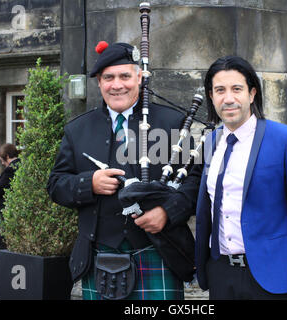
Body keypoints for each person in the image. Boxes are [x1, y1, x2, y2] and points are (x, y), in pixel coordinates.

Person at [47, 42, 196, 300]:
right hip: (99, 256)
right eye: (108, 78)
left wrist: (167, 212)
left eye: (125, 76)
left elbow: (195, 182)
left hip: (158, 252)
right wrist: (88, 183)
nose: (117, 85)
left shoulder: (172, 123)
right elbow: (56, 185)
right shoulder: (78, 130)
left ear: (139, 77)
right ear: (99, 82)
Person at [194, 56, 287, 300]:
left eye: (237, 89)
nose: (228, 98)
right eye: (220, 90)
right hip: (220, 276)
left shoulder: (286, 140)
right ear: (211, 96)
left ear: (252, 94)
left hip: (271, 280)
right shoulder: (210, 142)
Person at [0, 143, 20, 250]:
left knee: (5, 242)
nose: (2, 163)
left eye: (2, 159)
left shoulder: (10, 169)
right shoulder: (21, 165)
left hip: (6, 211)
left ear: (6, 156)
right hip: (14, 209)